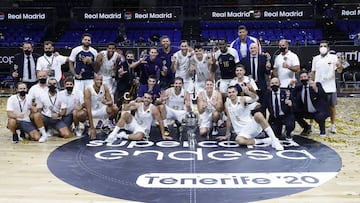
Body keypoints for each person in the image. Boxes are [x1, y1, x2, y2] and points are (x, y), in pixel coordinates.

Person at [217, 86, 284, 151]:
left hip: (250, 127)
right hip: (241, 132)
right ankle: (264, 140)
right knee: (239, 140)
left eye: (233, 92)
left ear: (237, 92)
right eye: (229, 92)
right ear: (227, 94)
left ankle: (275, 141)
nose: (231, 94)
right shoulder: (227, 103)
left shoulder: (242, 99)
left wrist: (248, 92)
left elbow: (256, 98)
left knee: (258, 115)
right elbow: (229, 119)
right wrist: (227, 134)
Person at [104, 92, 168, 143]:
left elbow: (160, 121)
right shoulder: (138, 105)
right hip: (134, 124)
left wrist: (163, 134)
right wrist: (130, 104)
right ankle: (113, 134)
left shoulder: (153, 109)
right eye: (145, 97)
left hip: (143, 129)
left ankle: (123, 135)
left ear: (151, 100)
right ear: (143, 98)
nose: (146, 99)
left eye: (148, 98)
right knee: (126, 114)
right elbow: (125, 109)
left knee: (139, 137)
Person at [311, 40, 344, 134]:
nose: (323, 48)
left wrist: (339, 66)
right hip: (318, 86)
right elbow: (313, 72)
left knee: (331, 107)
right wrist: (312, 83)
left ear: (328, 48)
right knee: (314, 106)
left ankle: (332, 125)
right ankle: (311, 125)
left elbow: (340, 70)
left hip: (330, 87)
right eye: (321, 46)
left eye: (325, 46)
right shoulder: (315, 59)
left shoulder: (334, 58)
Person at [292, 70, 330, 137]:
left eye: (305, 76)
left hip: (317, 110)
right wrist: (290, 86)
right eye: (301, 77)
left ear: (308, 77)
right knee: (294, 114)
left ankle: (322, 130)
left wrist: (315, 89)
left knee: (320, 116)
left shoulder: (317, 84)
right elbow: (292, 95)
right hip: (306, 110)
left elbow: (324, 96)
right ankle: (306, 127)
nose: (303, 78)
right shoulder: (299, 88)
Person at [34, 77, 72, 142]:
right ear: (47, 85)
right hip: (46, 117)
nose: (52, 85)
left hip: (57, 119)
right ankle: (44, 133)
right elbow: (39, 110)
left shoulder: (62, 95)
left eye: (54, 84)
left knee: (67, 135)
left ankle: (53, 129)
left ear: (57, 85)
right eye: (50, 84)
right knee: (36, 115)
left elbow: (64, 110)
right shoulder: (42, 95)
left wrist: (58, 114)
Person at [84, 74, 118, 139]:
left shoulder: (105, 87)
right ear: (94, 80)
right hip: (91, 111)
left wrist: (106, 102)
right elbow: (88, 109)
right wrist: (92, 128)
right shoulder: (88, 90)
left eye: (101, 80)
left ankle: (109, 122)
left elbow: (111, 102)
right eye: (97, 80)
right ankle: (87, 125)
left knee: (115, 109)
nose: (99, 81)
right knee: (79, 114)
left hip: (102, 109)